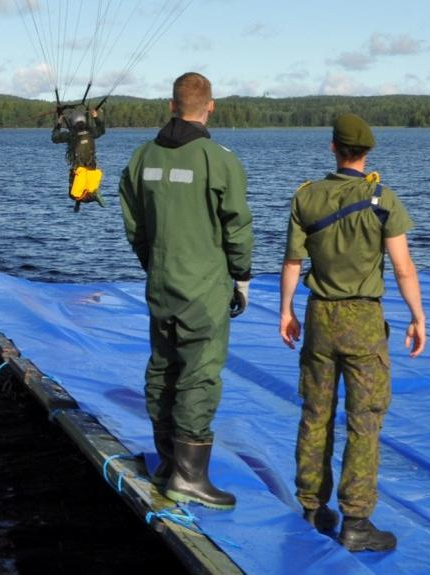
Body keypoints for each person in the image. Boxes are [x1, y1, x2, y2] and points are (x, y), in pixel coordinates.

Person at [279, 113, 426, 551]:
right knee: (364, 421)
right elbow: (402, 268)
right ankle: (356, 522)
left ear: (333, 148)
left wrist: (285, 310)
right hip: (363, 321)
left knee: (315, 414)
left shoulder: (307, 198)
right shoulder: (384, 201)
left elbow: (292, 263)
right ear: (367, 152)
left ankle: (311, 506)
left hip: (320, 317)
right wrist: (418, 317)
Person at [119, 72, 253, 510]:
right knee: (198, 374)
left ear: (171, 105)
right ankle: (190, 478)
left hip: (161, 285)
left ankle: (166, 462)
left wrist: (154, 264)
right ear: (210, 106)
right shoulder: (219, 159)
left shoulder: (142, 158)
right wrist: (242, 276)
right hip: (203, 289)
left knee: (162, 367)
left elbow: (133, 223)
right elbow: (237, 226)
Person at [52, 107, 106, 211]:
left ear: (73, 122)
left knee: (73, 194)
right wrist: (95, 117)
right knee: (86, 190)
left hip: (79, 170)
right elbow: (102, 130)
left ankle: (91, 197)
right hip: (92, 169)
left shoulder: (71, 135)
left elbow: (55, 138)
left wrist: (58, 124)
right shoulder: (91, 132)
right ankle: (88, 197)